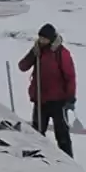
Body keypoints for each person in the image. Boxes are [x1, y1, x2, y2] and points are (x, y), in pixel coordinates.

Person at [18, 23, 76, 157]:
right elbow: (22, 66)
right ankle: (38, 160)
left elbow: (70, 77)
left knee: (62, 136)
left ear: (51, 38)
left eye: (44, 38)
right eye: (40, 38)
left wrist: (71, 97)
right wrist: (32, 54)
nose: (41, 40)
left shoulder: (62, 53)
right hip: (40, 100)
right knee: (37, 134)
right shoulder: (38, 50)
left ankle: (69, 163)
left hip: (58, 102)